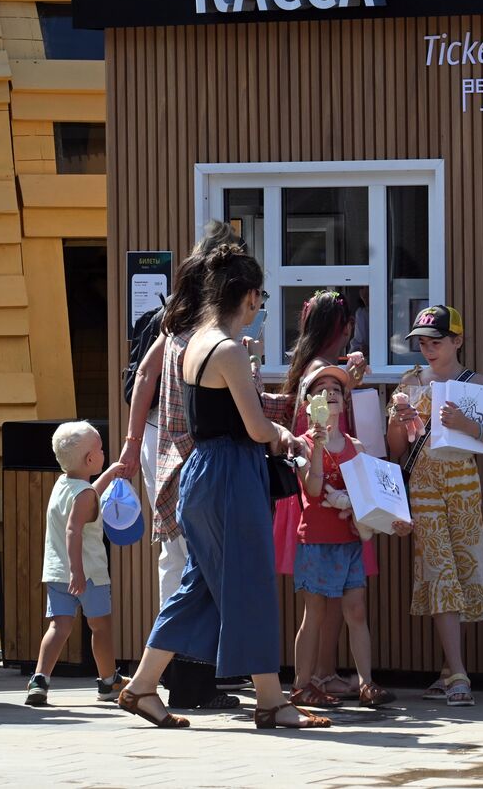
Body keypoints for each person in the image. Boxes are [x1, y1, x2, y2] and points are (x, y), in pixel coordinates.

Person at [117, 246, 329, 730]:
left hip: (203, 473)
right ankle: (272, 702)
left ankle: (143, 686)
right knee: (249, 585)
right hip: (231, 474)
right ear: (251, 297)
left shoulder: (192, 342)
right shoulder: (229, 350)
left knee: (200, 587)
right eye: (262, 297)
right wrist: (289, 437)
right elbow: (256, 429)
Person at [116, 220, 246, 710]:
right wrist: (132, 445)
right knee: (189, 558)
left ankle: (179, 675)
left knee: (184, 557)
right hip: (177, 445)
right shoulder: (193, 323)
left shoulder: (179, 314)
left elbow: (147, 372)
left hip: (165, 443)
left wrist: (132, 445)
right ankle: (185, 677)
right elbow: (147, 374)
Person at [386, 305, 483, 707]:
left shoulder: (476, 384)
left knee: (462, 568)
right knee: (440, 569)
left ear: (457, 340)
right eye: (422, 343)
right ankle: (459, 673)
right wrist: (397, 419)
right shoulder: (409, 382)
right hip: (423, 485)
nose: (427, 349)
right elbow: (395, 450)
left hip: (463, 485)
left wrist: (466, 425)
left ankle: (447, 670)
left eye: (435, 341)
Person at [267, 289, 372, 702]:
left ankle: (321, 677)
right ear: (339, 326)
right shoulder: (320, 369)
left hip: (328, 501)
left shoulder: (309, 366)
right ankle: (318, 676)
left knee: (336, 602)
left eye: (337, 393)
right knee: (323, 605)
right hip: (319, 500)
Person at [291, 365, 411, 708]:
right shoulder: (302, 444)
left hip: (350, 540)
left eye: (336, 389)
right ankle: (302, 685)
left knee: (356, 611)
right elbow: (312, 490)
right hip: (315, 539)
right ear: (307, 403)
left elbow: (372, 494)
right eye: (321, 388)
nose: (330, 393)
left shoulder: (357, 446)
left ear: (344, 403)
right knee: (313, 613)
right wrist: (317, 446)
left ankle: (366, 683)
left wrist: (396, 520)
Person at [25, 422, 127, 707]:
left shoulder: (64, 484)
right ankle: (108, 681)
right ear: (89, 459)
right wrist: (78, 572)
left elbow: (88, 495)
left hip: (56, 571)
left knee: (59, 626)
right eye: (100, 449)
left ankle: (40, 680)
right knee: (100, 627)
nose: (103, 452)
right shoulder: (84, 494)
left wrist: (108, 475)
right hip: (88, 573)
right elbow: (74, 529)